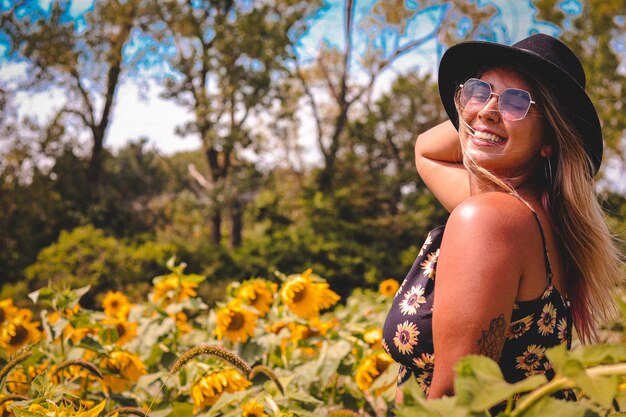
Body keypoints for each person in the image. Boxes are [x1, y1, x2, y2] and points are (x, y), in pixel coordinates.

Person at [382, 33, 624, 400]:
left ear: (550, 139)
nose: (490, 108)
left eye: (519, 102)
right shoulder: (528, 215)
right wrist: (478, 116)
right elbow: (426, 152)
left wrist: (481, 117)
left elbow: (455, 398)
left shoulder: (489, 220)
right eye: (479, 90)